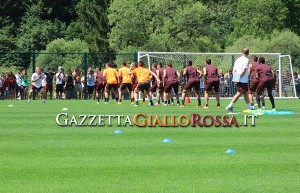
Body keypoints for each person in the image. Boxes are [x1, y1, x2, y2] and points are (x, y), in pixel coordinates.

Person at [225, 48, 251, 112]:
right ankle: (229, 106)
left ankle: (250, 108)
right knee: (239, 93)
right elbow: (244, 70)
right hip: (243, 80)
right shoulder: (246, 60)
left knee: (246, 94)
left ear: (242, 52)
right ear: (248, 53)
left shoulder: (237, 59)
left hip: (240, 79)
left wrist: (235, 78)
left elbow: (234, 70)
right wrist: (239, 78)